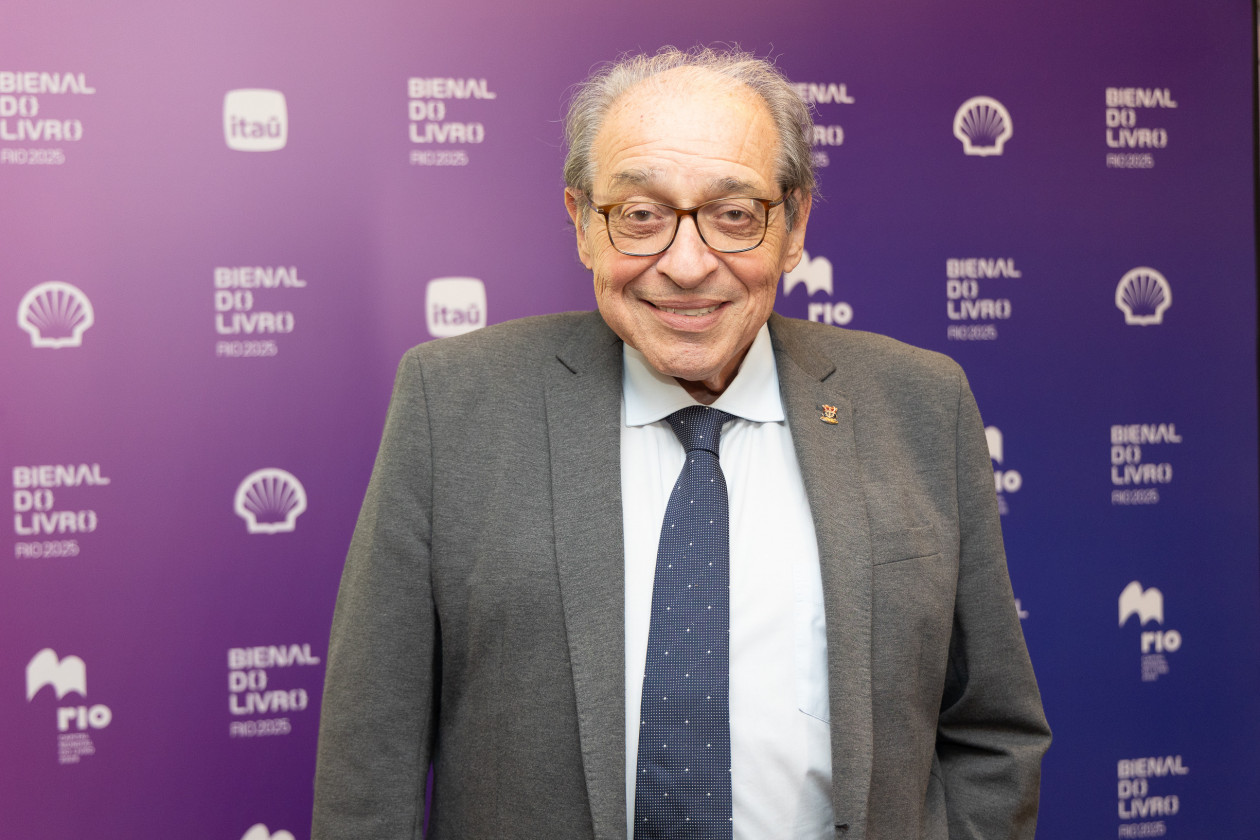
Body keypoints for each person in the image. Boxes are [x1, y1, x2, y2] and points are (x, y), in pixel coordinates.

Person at [312, 46, 1050, 840]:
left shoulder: (921, 404)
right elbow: (370, 759)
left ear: (794, 225)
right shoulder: (454, 404)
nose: (688, 264)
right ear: (583, 225)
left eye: (734, 215)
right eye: (640, 215)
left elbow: (991, 731)